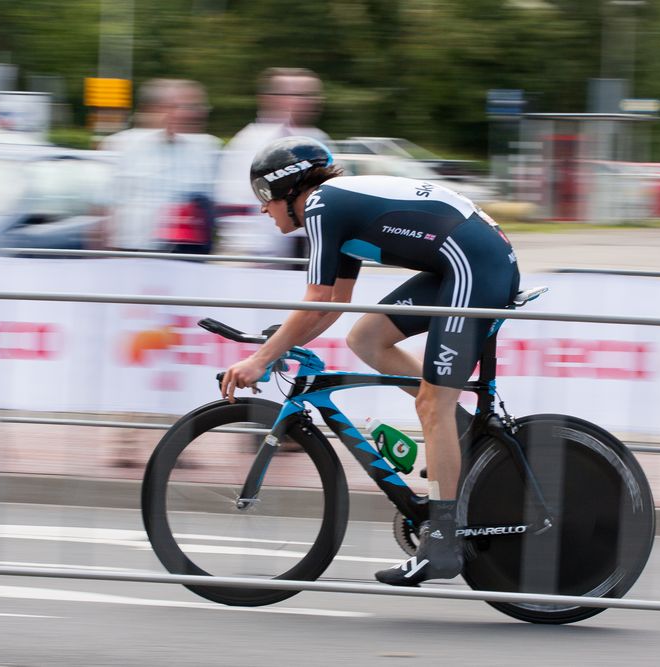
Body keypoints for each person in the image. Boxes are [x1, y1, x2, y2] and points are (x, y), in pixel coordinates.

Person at [219, 137, 521, 586]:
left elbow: (318, 300)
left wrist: (262, 359)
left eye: (263, 194)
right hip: (466, 262)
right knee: (366, 336)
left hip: (473, 267)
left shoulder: (320, 206)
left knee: (430, 407)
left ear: (288, 187)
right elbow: (334, 304)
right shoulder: (330, 208)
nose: (262, 208)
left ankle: (441, 542)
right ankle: (459, 429)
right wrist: (279, 344)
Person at [214, 68, 331, 263]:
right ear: (270, 98)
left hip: (305, 253)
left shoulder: (320, 140)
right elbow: (233, 200)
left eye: (313, 95)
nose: (309, 101)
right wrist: (250, 251)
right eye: (299, 95)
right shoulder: (251, 141)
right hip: (256, 254)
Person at [104, 78, 221, 252]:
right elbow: (107, 205)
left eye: (195, 107)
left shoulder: (207, 147)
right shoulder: (122, 144)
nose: (189, 114)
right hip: (134, 250)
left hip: (186, 253)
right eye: (178, 107)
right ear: (155, 108)